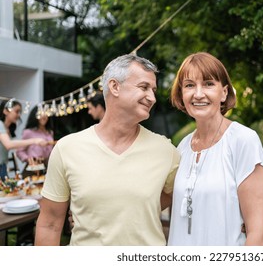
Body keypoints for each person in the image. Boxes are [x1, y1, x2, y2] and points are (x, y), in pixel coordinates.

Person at [35, 54, 180, 246]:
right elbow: (50, 224)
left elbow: (173, 194)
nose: (152, 98)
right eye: (144, 87)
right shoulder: (67, 148)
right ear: (114, 86)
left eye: (153, 90)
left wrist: (129, 210)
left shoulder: (166, 151)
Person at [168, 52, 263, 246]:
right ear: (181, 94)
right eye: (190, 85)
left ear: (224, 92)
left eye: (208, 84)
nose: (198, 94)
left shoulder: (243, 140)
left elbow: (258, 232)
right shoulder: (182, 147)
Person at [0, 99, 47, 181]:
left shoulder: (7, 128)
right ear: (5, 111)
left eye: (19, 112)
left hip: (3, 166)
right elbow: (8, 144)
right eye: (16, 111)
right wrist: (34, 141)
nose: (18, 115)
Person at [16, 105, 55, 173]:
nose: (43, 116)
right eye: (40, 114)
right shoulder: (28, 132)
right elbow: (19, 151)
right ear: (35, 116)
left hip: (47, 168)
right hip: (32, 168)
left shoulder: (50, 132)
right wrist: (28, 159)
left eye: (45, 114)